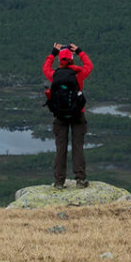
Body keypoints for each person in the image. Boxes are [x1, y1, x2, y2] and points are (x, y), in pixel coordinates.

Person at [42, 42, 94, 188]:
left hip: (60, 116)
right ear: (72, 58)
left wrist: (52, 53)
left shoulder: (55, 75)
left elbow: (45, 68)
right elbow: (89, 66)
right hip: (78, 115)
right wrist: (80, 51)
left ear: (59, 60)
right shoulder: (78, 74)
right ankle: (80, 179)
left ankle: (59, 182)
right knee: (78, 146)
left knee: (61, 148)